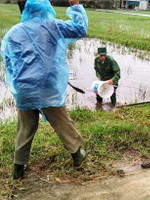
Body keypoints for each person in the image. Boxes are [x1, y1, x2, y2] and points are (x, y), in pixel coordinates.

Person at [0, 0, 88, 181]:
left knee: (24, 128)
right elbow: (80, 29)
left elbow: (8, 62)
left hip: (24, 90)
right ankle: (77, 156)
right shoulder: (53, 26)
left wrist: (19, 84)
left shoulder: (12, 33)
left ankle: (18, 169)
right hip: (48, 89)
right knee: (62, 122)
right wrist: (76, 5)